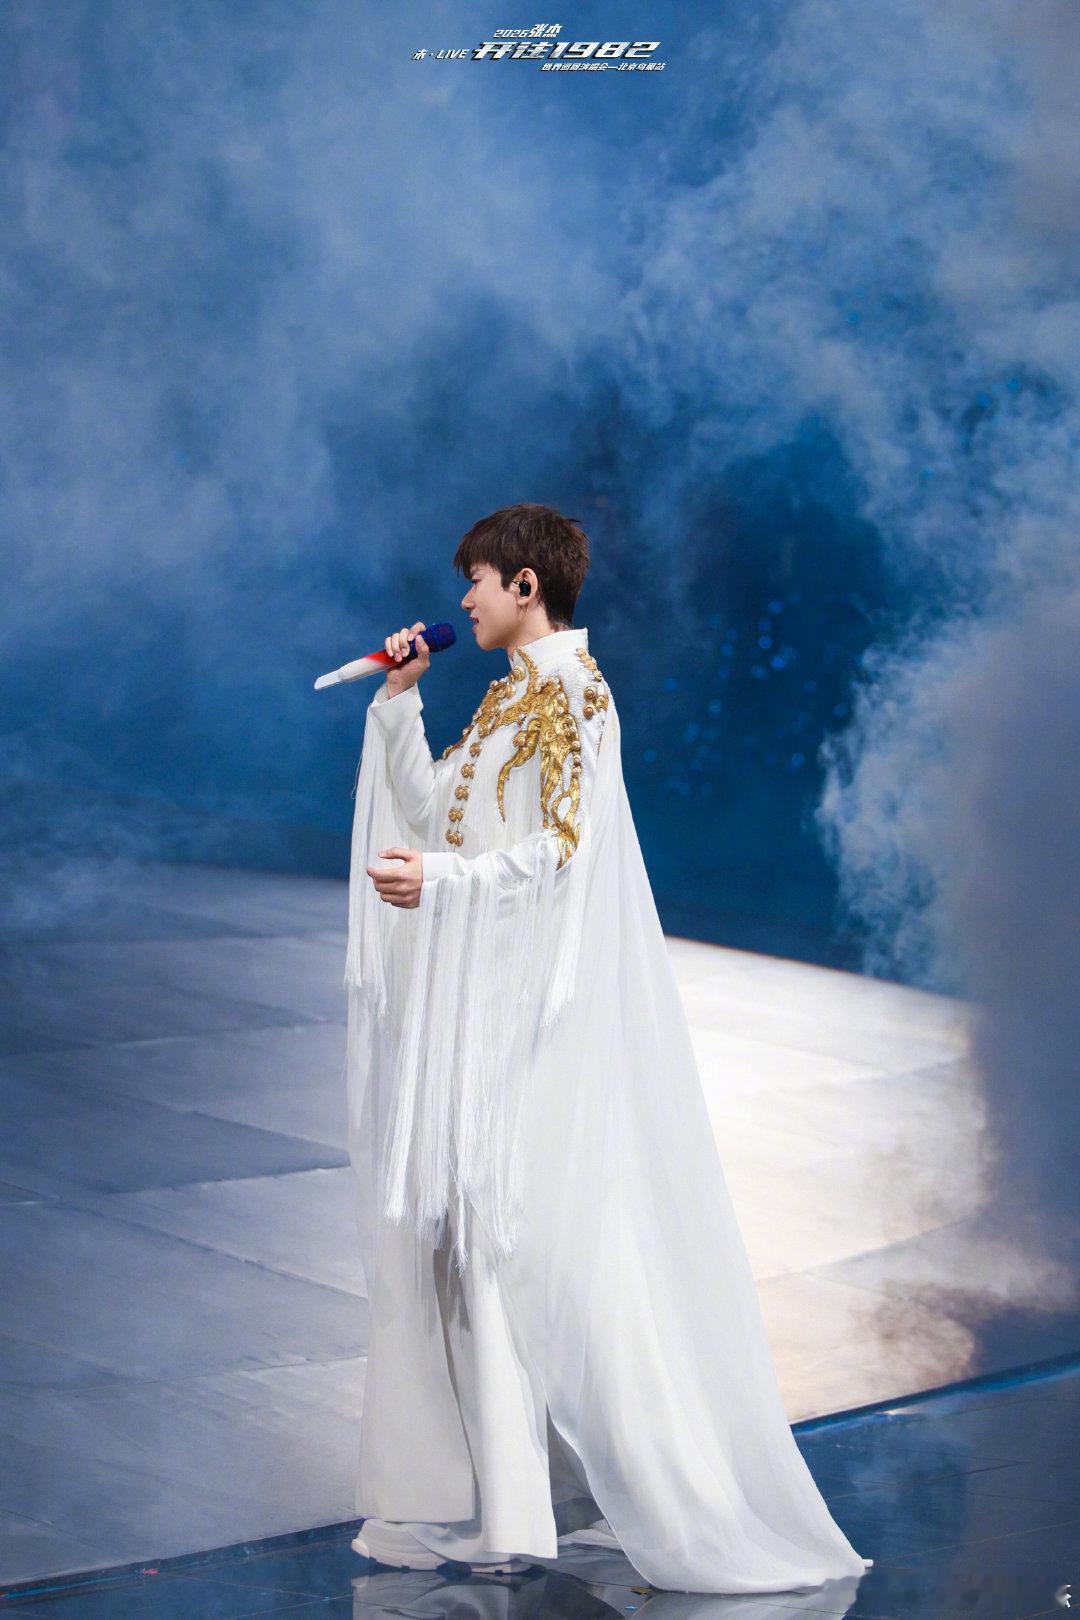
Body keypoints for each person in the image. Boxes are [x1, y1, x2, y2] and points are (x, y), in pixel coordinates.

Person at [342, 503, 873, 1593]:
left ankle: (562, 1506)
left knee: (512, 1245)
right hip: (478, 1007)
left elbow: (563, 852)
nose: (464, 599)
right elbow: (439, 814)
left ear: (526, 585)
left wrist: (443, 879)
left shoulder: (578, 696)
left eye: (478, 578)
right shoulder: (507, 698)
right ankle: (510, 1507)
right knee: (473, 1249)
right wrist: (400, 703)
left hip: (526, 1013)